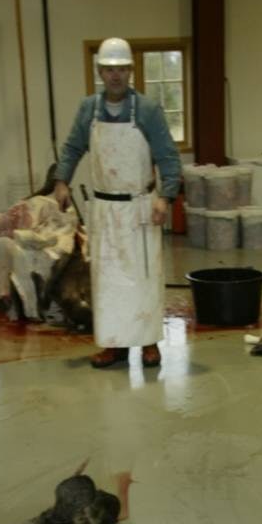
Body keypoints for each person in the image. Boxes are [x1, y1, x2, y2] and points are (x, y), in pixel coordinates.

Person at [54, 37, 182, 369]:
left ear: (130, 70)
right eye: (109, 69)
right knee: (108, 281)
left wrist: (165, 197)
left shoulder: (148, 111)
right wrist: (61, 181)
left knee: (144, 277)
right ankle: (114, 345)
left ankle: (149, 342)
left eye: (121, 69)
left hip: (140, 208)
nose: (115, 76)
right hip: (105, 211)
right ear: (99, 71)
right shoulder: (88, 110)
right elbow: (71, 148)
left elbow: (168, 156)